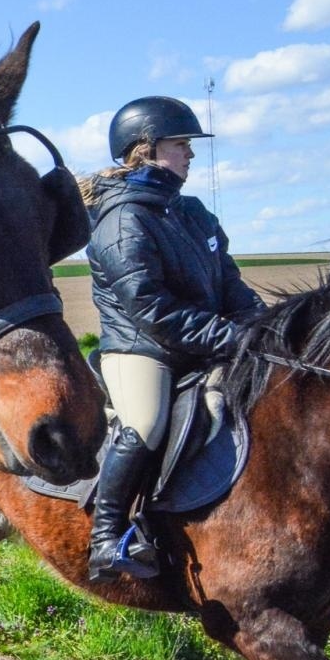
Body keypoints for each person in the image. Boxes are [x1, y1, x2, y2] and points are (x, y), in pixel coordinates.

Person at [82, 95, 265, 581]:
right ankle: (106, 538)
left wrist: (263, 329)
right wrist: (230, 338)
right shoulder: (122, 220)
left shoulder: (195, 213)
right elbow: (152, 310)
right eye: (181, 144)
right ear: (145, 149)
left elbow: (231, 285)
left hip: (204, 341)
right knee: (145, 421)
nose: (190, 154)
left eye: (188, 145)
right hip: (143, 349)